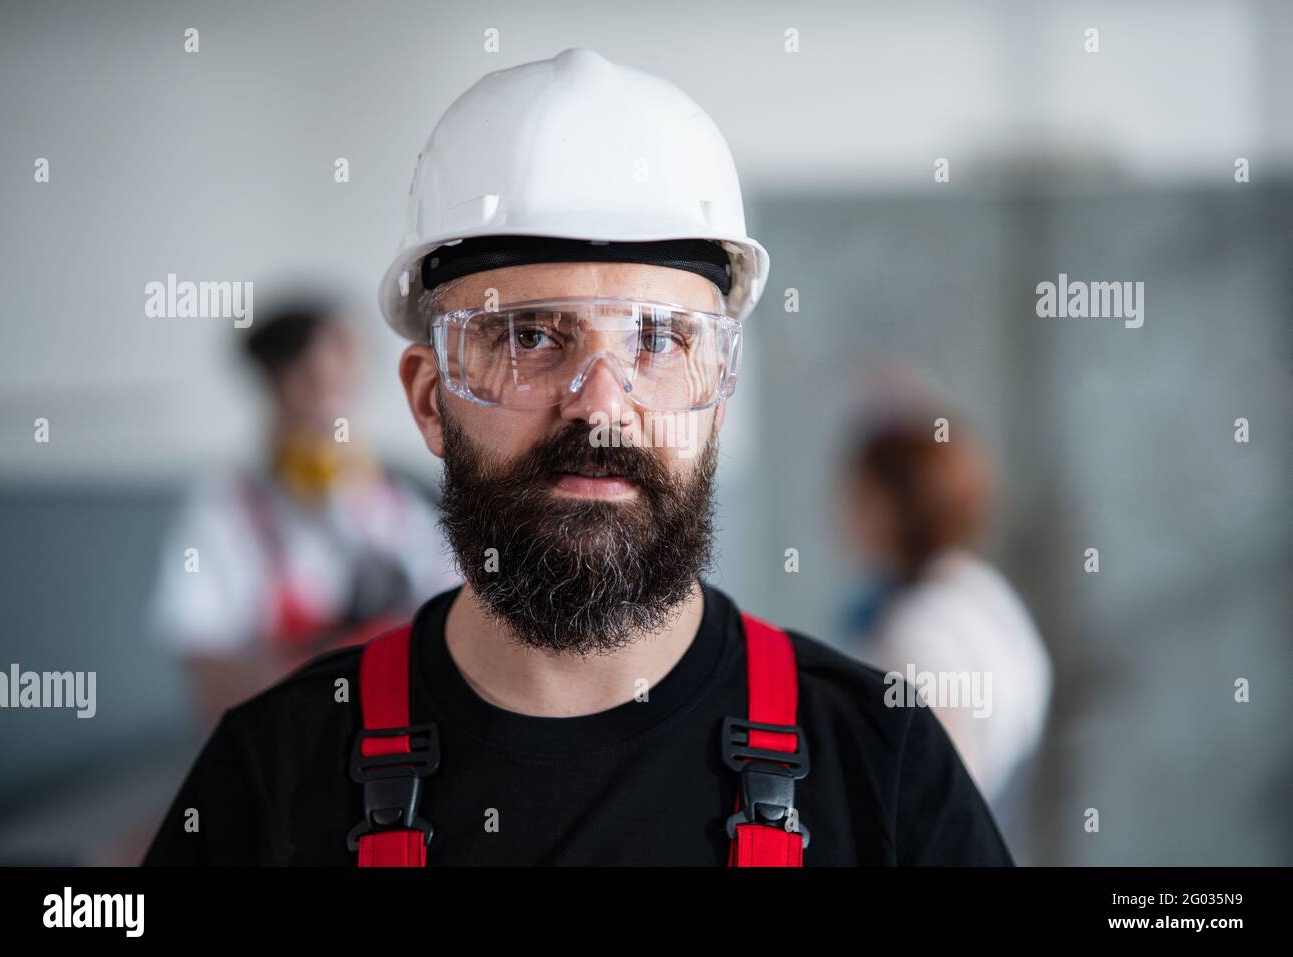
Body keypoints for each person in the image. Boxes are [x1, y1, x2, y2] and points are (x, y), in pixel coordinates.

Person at [144, 49, 1011, 866]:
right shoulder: (271, 775)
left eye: (660, 340)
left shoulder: (883, 768)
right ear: (426, 399)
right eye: (528, 337)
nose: (599, 403)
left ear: (719, 394)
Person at [147, 297, 458, 723]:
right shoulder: (225, 510)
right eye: (313, 384)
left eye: (346, 383)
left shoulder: (408, 499)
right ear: (275, 384)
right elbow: (210, 677)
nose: (331, 407)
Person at [838, 402, 1052, 818]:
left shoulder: (914, 634)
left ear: (890, 505)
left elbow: (922, 798)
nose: (844, 509)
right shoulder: (989, 597)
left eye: (859, 491)